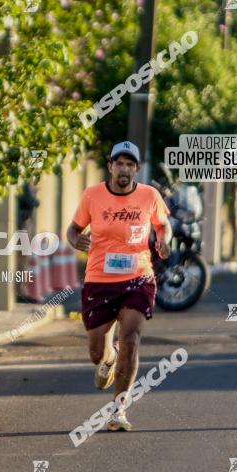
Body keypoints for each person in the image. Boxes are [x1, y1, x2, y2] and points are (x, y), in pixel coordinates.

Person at [65, 141, 171, 431]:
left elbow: (163, 224)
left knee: (131, 339)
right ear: (110, 166)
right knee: (96, 352)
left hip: (139, 277)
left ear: (136, 168)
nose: (124, 169)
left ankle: (118, 409)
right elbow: (73, 229)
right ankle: (109, 358)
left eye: (129, 164)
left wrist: (164, 240)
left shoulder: (150, 195)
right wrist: (76, 241)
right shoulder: (93, 196)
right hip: (99, 279)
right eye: (118, 163)